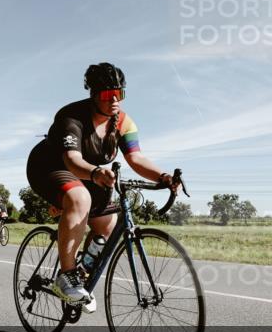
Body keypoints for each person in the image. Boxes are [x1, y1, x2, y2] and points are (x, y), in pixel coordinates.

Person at [26, 63, 178, 304]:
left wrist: (163, 177)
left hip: (88, 175)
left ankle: (82, 274)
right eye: (108, 94)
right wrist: (96, 173)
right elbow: (72, 160)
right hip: (50, 167)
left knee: (109, 223)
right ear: (94, 95)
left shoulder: (124, 123)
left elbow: (136, 158)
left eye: (120, 93)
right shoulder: (72, 118)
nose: (115, 100)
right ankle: (66, 277)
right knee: (79, 198)